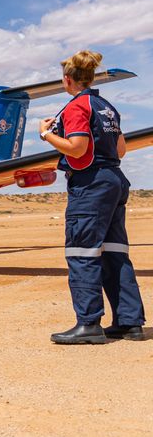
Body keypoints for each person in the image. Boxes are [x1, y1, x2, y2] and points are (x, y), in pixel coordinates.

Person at [39, 50, 145, 344]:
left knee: (82, 251)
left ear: (68, 79)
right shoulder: (106, 106)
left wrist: (46, 134)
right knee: (114, 252)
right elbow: (121, 149)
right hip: (114, 179)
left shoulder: (76, 107)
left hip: (90, 184)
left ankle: (88, 324)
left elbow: (76, 148)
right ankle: (129, 322)